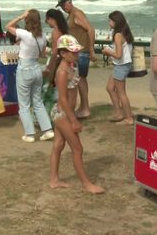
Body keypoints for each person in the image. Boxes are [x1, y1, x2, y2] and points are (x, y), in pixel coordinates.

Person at [49, 34, 105, 194]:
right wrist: (73, 120)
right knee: (77, 148)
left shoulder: (70, 67)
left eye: (77, 52)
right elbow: (63, 99)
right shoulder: (62, 72)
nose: (76, 55)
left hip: (64, 113)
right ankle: (86, 184)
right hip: (62, 114)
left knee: (58, 145)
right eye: (73, 52)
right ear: (62, 53)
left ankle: (54, 180)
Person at [5, 9, 55, 143]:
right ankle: (47, 130)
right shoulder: (43, 36)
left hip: (24, 69)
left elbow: (7, 26)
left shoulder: (25, 34)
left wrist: (21, 16)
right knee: (38, 102)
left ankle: (30, 133)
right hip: (36, 68)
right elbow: (43, 54)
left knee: (24, 104)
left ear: (27, 20)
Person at [56, 0, 96, 119]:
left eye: (63, 5)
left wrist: (91, 49)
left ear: (69, 2)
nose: (63, 8)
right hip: (77, 52)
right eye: (61, 6)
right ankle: (83, 107)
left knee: (81, 80)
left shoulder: (77, 13)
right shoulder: (71, 15)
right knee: (80, 80)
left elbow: (91, 30)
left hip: (82, 51)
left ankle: (85, 108)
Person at [102, 11, 134, 125]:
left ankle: (129, 118)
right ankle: (118, 113)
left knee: (121, 93)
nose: (109, 22)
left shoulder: (118, 35)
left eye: (110, 20)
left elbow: (118, 55)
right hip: (122, 65)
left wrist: (107, 51)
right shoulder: (124, 32)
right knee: (110, 88)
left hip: (121, 65)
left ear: (116, 22)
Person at [43, 8, 69, 81]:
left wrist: (49, 68)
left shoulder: (55, 32)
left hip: (58, 62)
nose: (47, 22)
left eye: (47, 20)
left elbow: (55, 52)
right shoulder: (63, 30)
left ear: (51, 19)